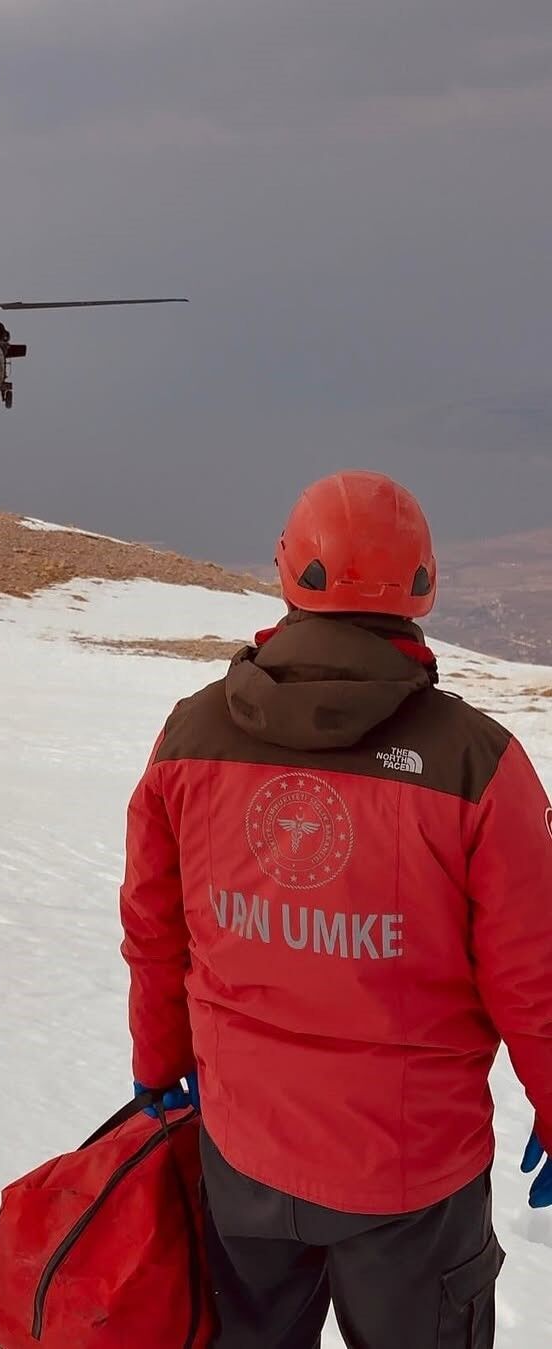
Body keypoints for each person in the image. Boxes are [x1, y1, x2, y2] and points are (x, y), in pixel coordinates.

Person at [119, 470, 552, 1348]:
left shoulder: (188, 737)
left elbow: (155, 934)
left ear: (289, 572)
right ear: (423, 585)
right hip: (412, 1183)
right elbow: (535, 974)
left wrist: (158, 1065)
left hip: (242, 1157)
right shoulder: (479, 764)